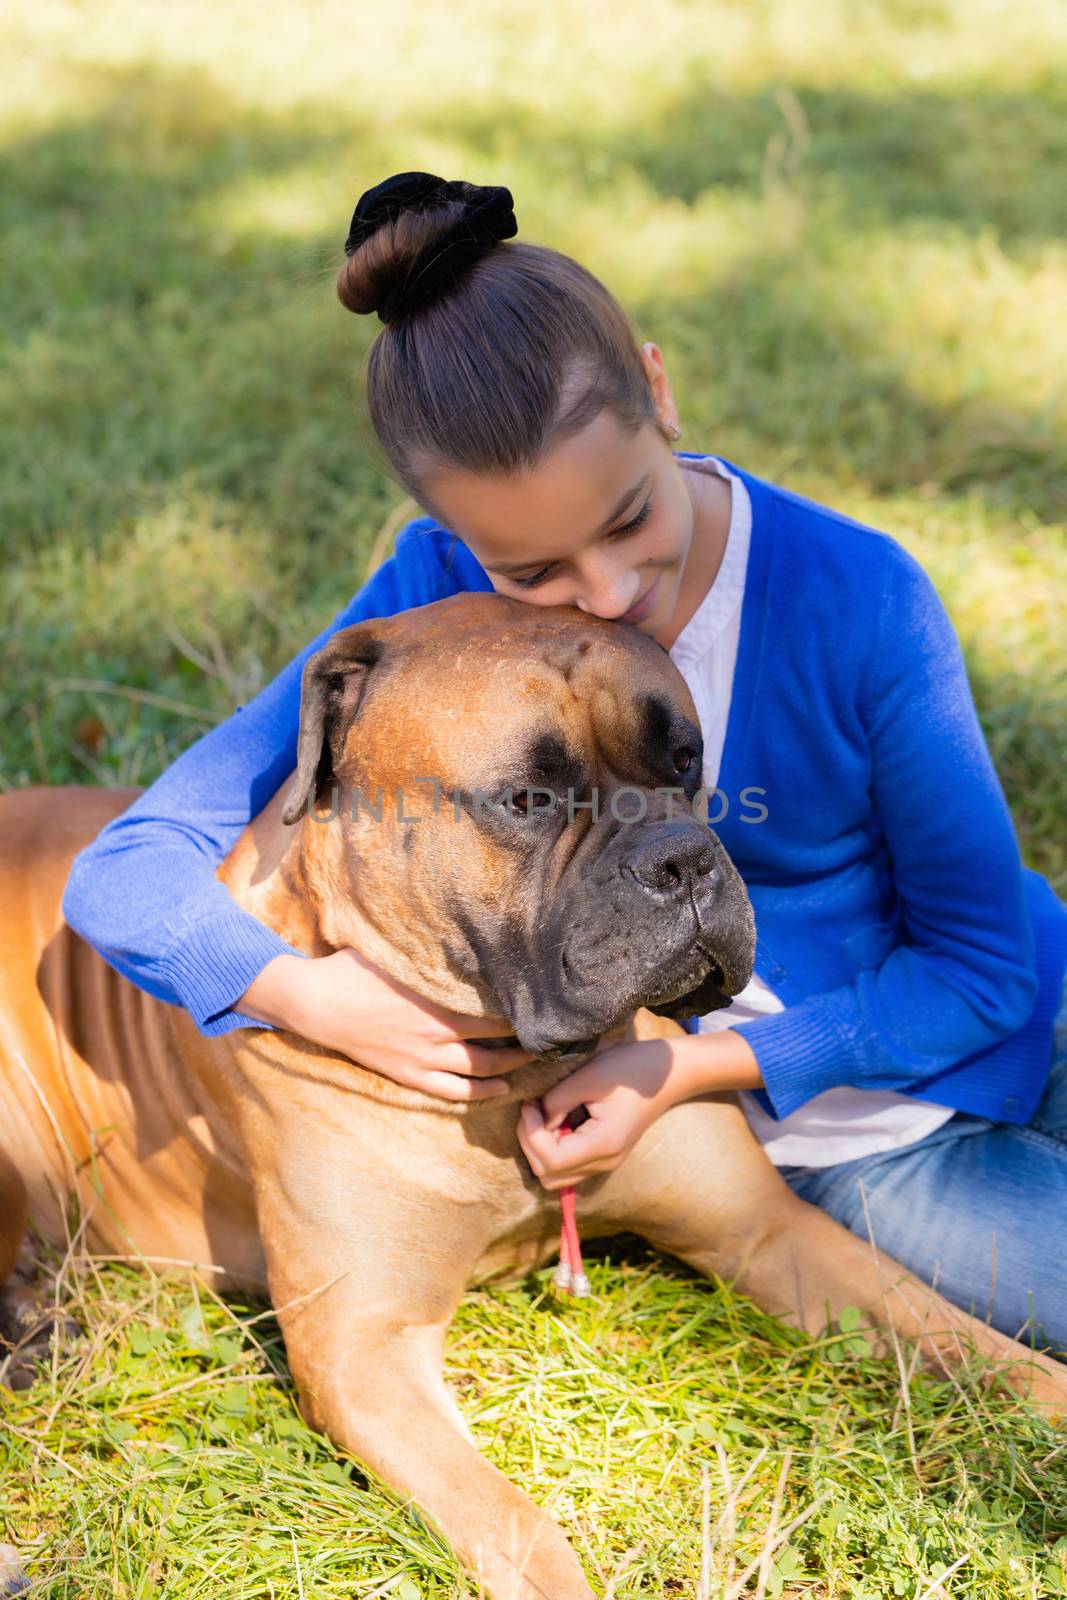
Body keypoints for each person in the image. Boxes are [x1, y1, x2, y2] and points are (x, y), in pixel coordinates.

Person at [62, 171, 1067, 1349]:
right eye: (530, 573)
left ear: (658, 389)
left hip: (984, 1004)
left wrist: (689, 1071)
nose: (603, 595)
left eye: (629, 517)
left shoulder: (856, 599)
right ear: (450, 533)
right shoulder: (425, 610)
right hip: (861, 1136)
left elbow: (986, 967)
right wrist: (314, 997)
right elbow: (120, 870)